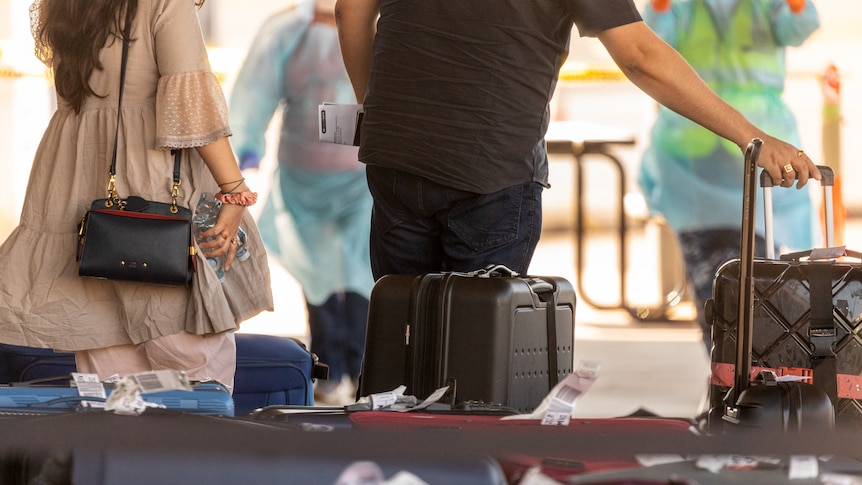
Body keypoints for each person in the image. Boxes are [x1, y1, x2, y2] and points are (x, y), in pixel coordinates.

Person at [334, 0, 821, 282]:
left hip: (395, 159)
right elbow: (639, 57)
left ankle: (392, 454)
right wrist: (751, 137)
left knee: (400, 341)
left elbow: (349, 8)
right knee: (473, 363)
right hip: (490, 173)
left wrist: (374, 110)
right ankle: (468, 457)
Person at [0, 0, 273, 388]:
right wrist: (234, 190)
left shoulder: (64, 4)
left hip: (78, 176)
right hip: (152, 181)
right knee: (193, 363)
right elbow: (189, 101)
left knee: (109, 368)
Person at [638, 0, 820, 349]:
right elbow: (651, 40)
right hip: (695, 162)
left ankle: (758, 382)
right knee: (715, 288)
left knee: (767, 286)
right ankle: (725, 383)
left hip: (764, 158)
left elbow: (801, 27)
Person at [228, 0, 373, 404]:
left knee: (362, 273)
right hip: (304, 180)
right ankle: (331, 370)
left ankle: (363, 371)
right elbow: (253, 93)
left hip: (363, 179)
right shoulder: (286, 32)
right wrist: (243, 151)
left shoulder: (383, 24)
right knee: (318, 275)